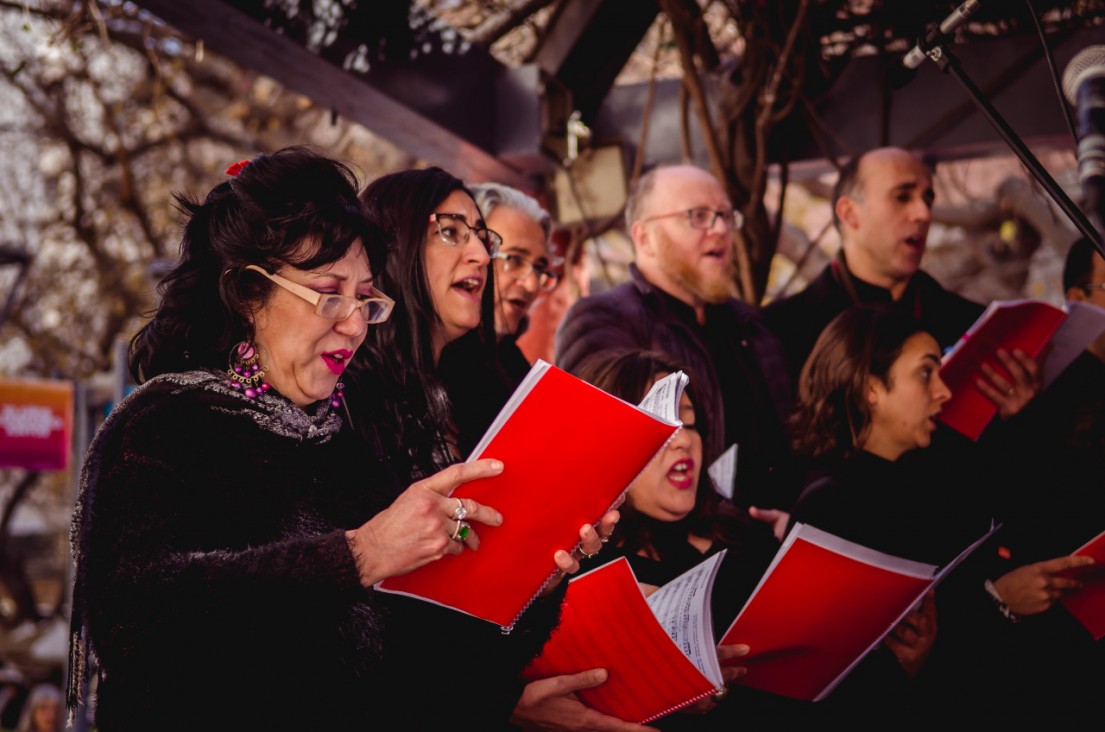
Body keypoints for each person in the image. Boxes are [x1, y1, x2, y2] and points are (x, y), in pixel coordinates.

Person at [66, 147, 516, 730]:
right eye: (329, 294)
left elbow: (422, 673)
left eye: (365, 300)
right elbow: (137, 622)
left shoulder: (347, 441)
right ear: (248, 293)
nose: (354, 324)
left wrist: (532, 569)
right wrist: (357, 555)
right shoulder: (165, 423)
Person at [352, 166, 619, 731]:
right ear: (393, 242)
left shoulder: (481, 391)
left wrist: (543, 573)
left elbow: (475, 618)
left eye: (481, 237)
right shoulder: (343, 397)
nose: (480, 253)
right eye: (451, 231)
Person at [787, 304, 1093, 727]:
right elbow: (838, 682)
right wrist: (998, 600)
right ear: (871, 387)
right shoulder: (829, 507)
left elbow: (1021, 511)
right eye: (926, 373)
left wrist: (1020, 419)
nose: (944, 392)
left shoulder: (925, 471)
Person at [555, 164, 800, 514]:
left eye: (725, 216)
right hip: (674, 554)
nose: (719, 230)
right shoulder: (602, 320)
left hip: (761, 546)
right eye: (697, 216)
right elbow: (604, 463)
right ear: (644, 237)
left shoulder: (750, 325)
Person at [762, 146, 1038, 416]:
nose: (924, 214)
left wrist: (1016, 412)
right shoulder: (780, 331)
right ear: (849, 213)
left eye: (927, 199)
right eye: (902, 197)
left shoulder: (973, 326)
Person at [470, 181, 561, 387]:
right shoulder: (420, 358)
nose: (531, 285)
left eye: (539, 268)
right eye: (515, 259)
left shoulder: (520, 375)